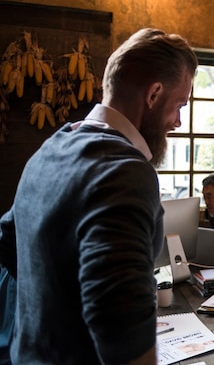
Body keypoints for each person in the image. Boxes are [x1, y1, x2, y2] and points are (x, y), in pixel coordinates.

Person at [0, 28, 198, 364]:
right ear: (153, 95)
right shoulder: (124, 171)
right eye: (178, 105)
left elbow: (8, 244)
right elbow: (122, 331)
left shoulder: (49, 149)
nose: (178, 121)